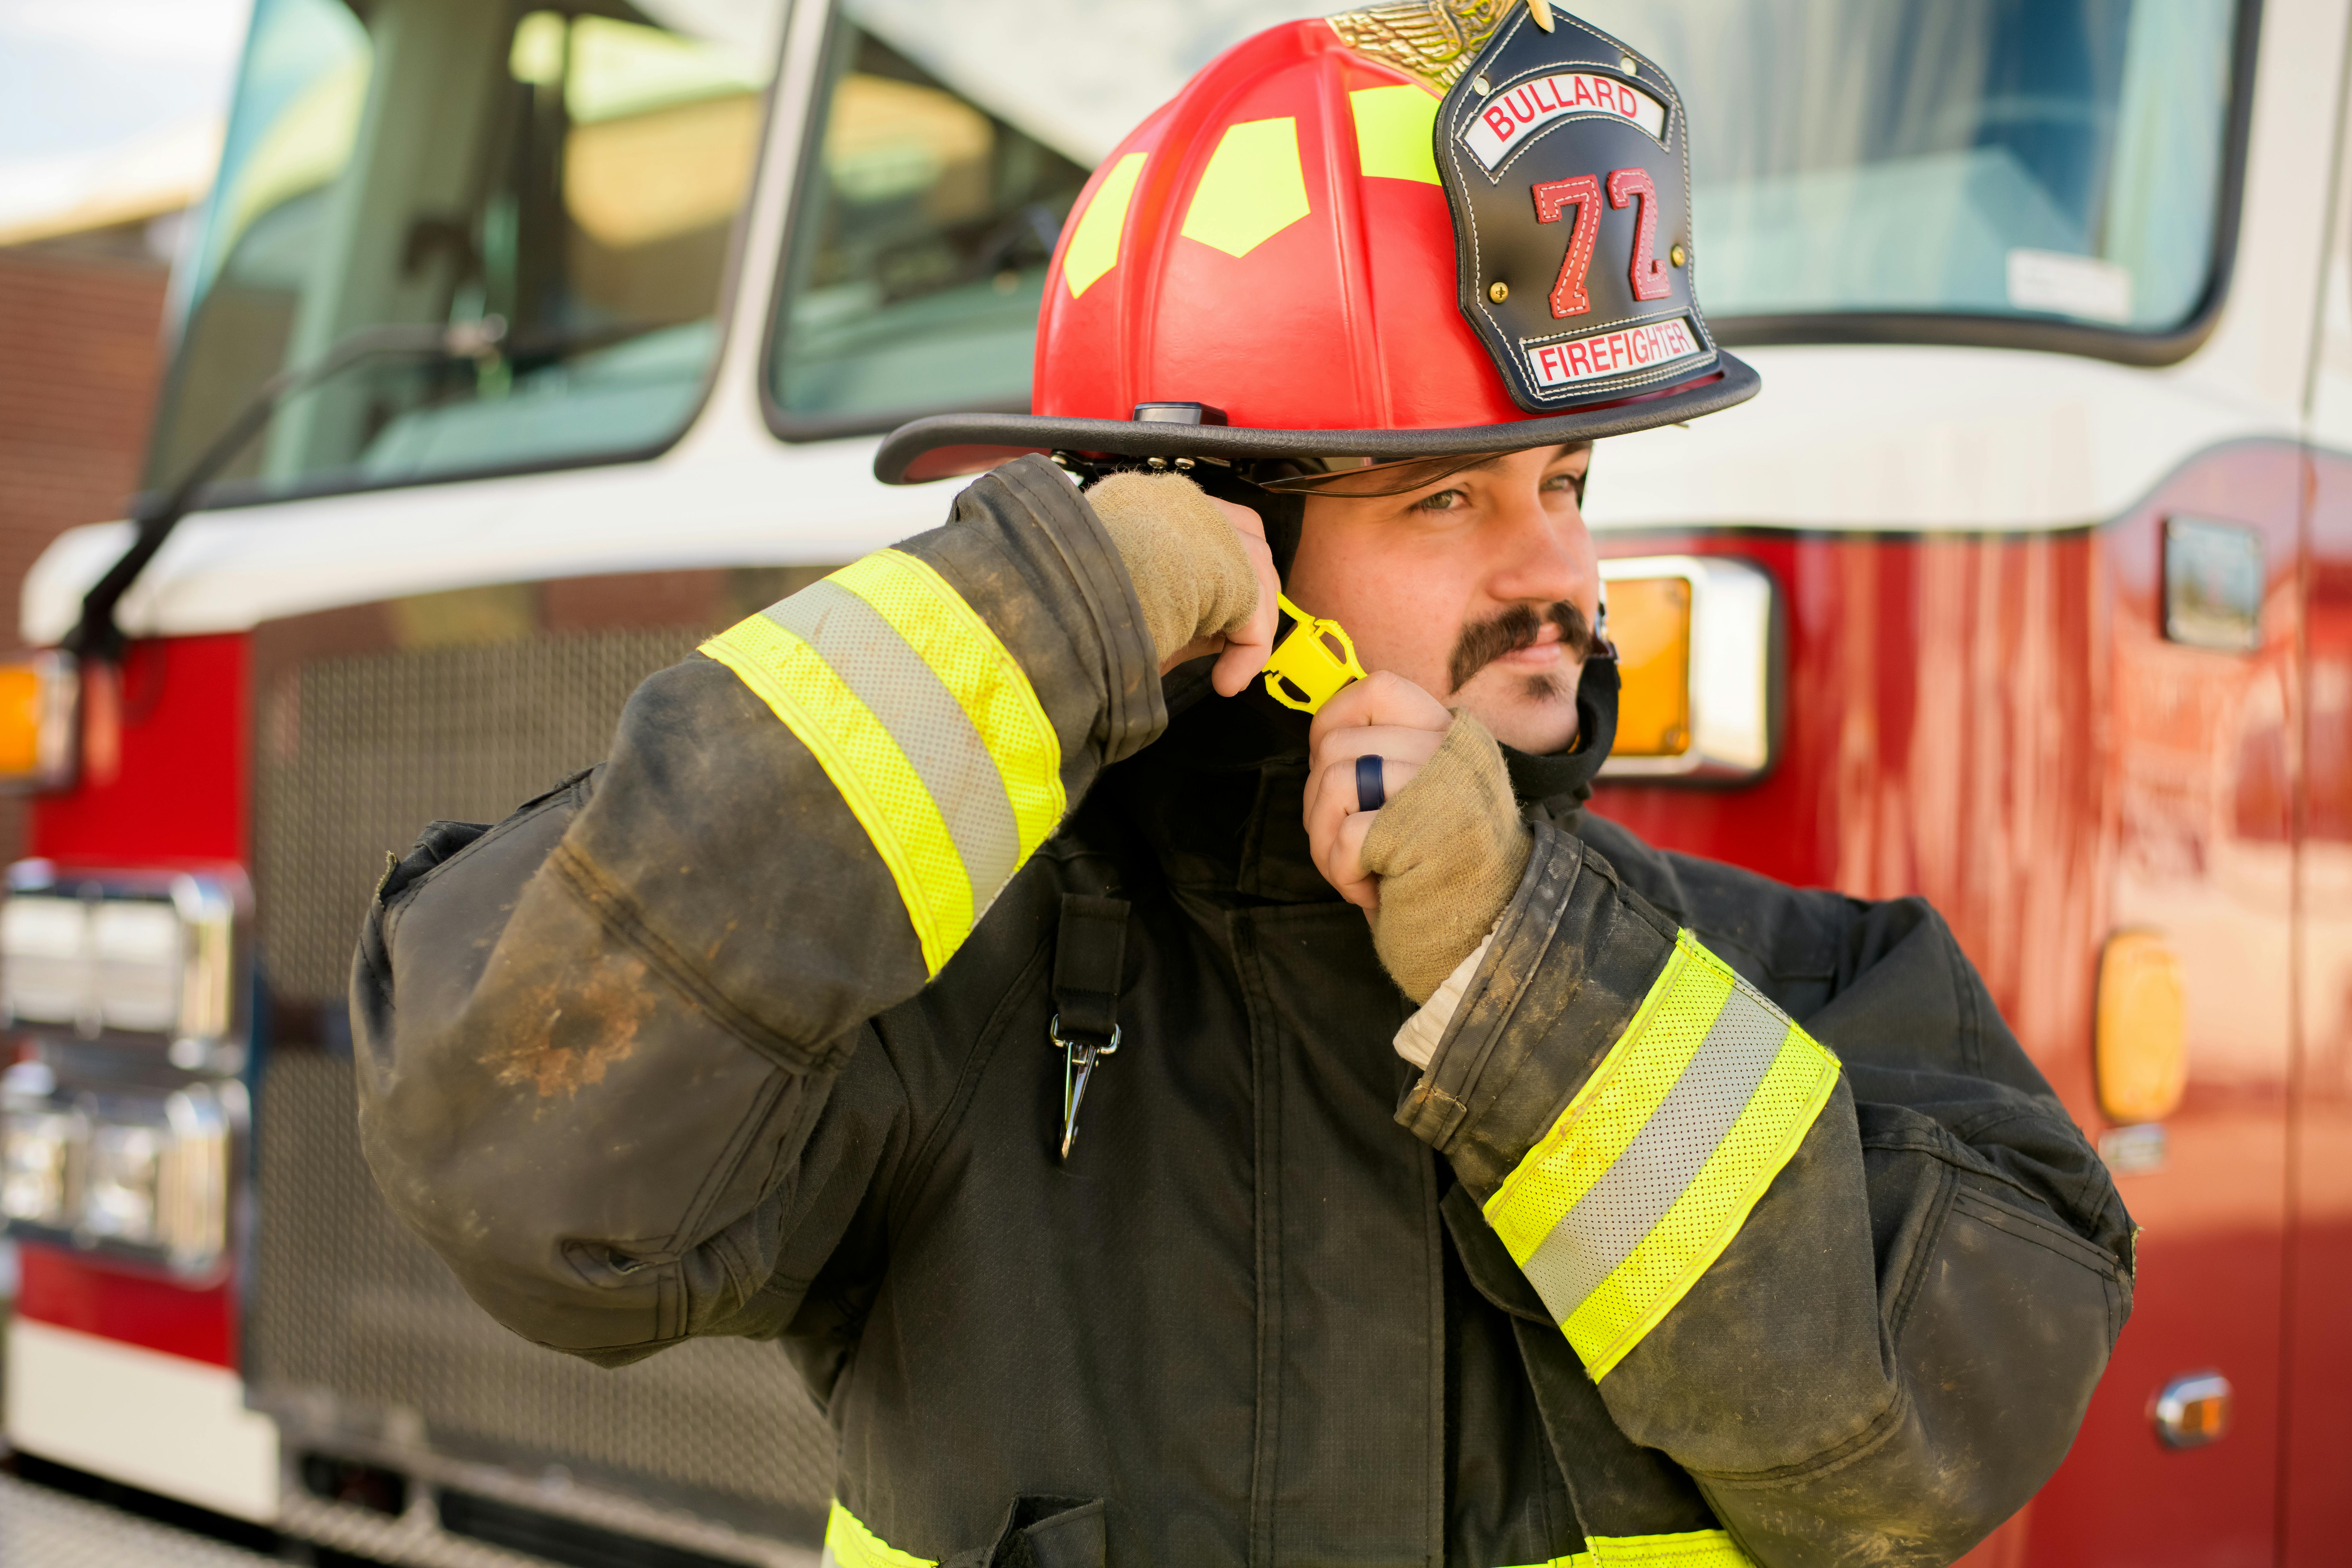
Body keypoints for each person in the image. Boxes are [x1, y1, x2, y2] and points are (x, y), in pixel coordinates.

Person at [353, 6, 2133, 1565]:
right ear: (1219, 536)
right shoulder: (948, 1001)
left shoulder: (1777, 980)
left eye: (1570, 482)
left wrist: (1525, 979)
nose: (1562, 577)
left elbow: (1922, 1451)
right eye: (1448, 497)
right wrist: (1047, 612)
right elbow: (513, 1147)